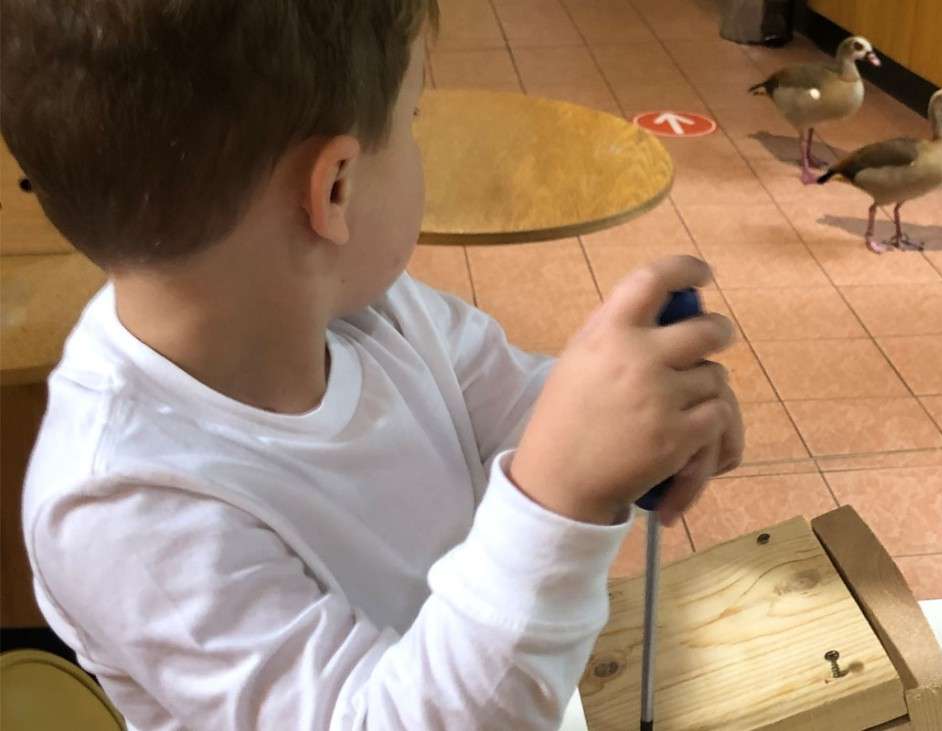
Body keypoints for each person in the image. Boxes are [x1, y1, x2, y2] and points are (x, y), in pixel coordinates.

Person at [2, 1, 743, 728]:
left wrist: (632, 424)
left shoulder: (367, 308)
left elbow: (511, 399)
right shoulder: (121, 508)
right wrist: (557, 498)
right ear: (335, 188)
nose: (418, 139)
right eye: (413, 120)